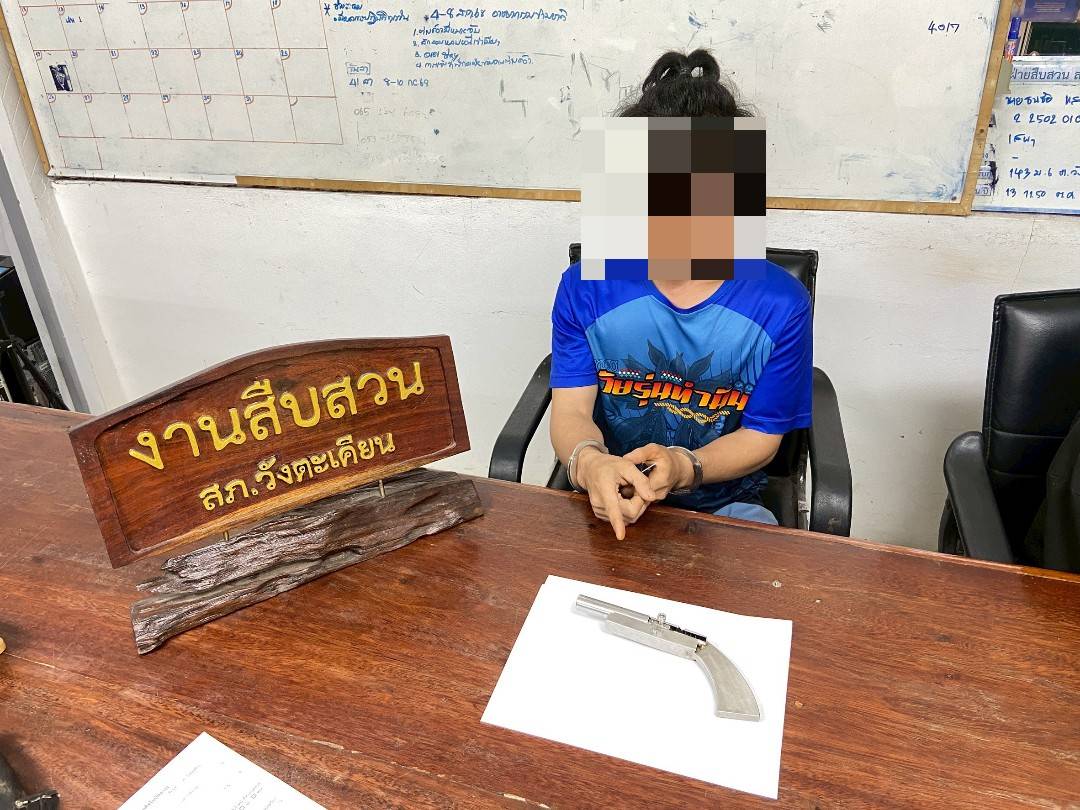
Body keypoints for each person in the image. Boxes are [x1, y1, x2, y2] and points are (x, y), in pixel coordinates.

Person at [549, 49, 813, 540]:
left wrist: (684, 466)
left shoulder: (781, 305)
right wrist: (590, 464)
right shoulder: (584, 286)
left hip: (723, 504)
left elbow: (762, 437)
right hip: (606, 496)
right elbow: (571, 411)